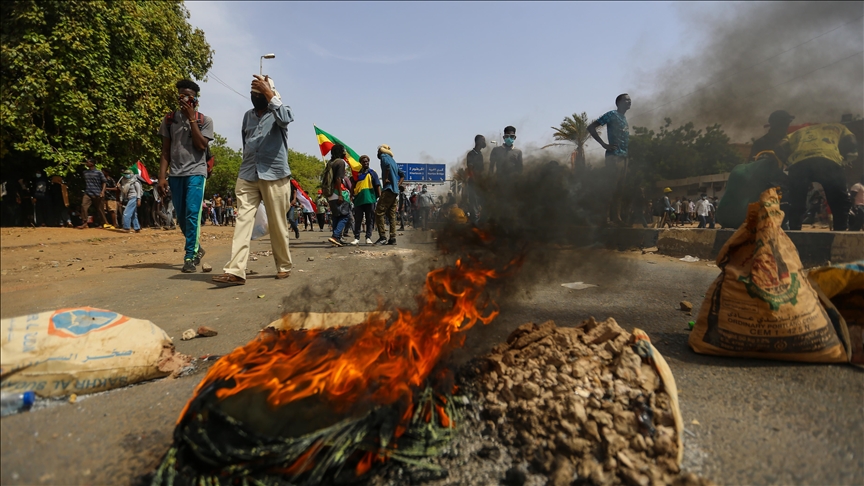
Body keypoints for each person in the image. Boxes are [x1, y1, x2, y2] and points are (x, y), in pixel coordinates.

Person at [213, 74, 294, 285]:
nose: (254, 96)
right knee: (242, 222)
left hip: (274, 174)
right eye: (253, 92)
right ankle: (236, 271)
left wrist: (269, 93)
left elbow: (286, 118)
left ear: (269, 94)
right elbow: (245, 141)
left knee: (277, 223)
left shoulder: (279, 111)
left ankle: (284, 265)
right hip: (248, 173)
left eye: (259, 92)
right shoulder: (248, 116)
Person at [158, 79, 214, 273]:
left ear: (196, 99)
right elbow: (165, 151)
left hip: (196, 173)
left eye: (189, 96)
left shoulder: (204, 120)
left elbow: (201, 145)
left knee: (192, 214)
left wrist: (191, 119)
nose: (186, 99)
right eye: (182, 95)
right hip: (176, 174)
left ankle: (189, 256)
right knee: (181, 217)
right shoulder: (169, 120)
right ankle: (197, 247)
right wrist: (162, 177)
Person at [775, 123, 858, 231]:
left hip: (799, 163)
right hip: (828, 159)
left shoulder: (796, 133)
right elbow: (852, 141)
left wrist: (787, 161)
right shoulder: (839, 126)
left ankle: (794, 232)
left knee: (796, 201)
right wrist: (845, 156)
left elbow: (779, 146)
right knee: (839, 201)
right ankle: (840, 231)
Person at [715, 152, 788, 229]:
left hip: (721, 216)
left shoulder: (738, 167)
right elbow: (787, 183)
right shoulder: (768, 166)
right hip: (743, 219)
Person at [588, 94, 631, 225]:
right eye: (626, 100)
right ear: (619, 103)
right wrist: (603, 144)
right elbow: (591, 127)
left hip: (624, 157)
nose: (629, 102)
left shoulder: (624, 118)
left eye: (630, 100)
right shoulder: (612, 115)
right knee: (611, 187)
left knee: (620, 189)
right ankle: (604, 217)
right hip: (614, 157)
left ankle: (616, 217)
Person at [373, 144, 405, 245]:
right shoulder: (393, 160)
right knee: (392, 215)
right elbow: (402, 174)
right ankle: (392, 238)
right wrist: (398, 184)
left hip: (388, 189)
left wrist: (386, 178)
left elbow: (387, 166)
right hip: (395, 191)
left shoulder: (384, 157)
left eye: (378, 151)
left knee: (379, 212)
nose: (377, 153)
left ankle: (382, 237)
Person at [350, 155, 381, 246]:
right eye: (364, 161)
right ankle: (356, 238)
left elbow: (377, 185)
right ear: (361, 163)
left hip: (370, 199)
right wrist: (351, 196)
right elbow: (353, 185)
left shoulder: (372, 173)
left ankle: (368, 237)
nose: (366, 163)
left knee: (369, 219)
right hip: (359, 199)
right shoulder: (357, 174)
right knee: (358, 219)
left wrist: (380, 197)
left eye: (367, 161)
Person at [78, 158, 108, 229]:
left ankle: (103, 223)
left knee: (100, 209)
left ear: (92, 163)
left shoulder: (99, 172)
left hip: (97, 193)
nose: (86, 163)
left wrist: (102, 192)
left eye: (87, 162)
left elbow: (104, 182)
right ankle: (85, 222)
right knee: (83, 206)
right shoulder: (85, 172)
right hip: (88, 192)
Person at [465, 134, 486, 223]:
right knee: (474, 205)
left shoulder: (480, 154)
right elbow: (470, 169)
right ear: (478, 142)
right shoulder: (471, 154)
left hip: (479, 183)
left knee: (481, 203)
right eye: (483, 140)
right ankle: (474, 224)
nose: (484, 143)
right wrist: (474, 181)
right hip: (473, 183)